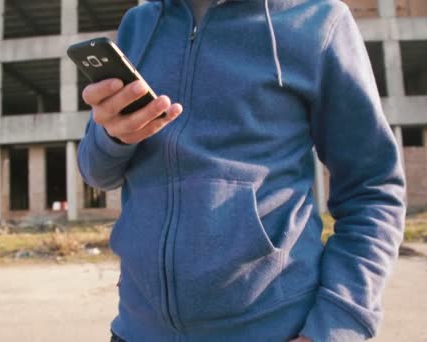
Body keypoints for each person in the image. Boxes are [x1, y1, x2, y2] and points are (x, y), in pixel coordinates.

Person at [78, 0, 406, 341]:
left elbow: (373, 188)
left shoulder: (318, 20)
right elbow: (96, 172)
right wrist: (113, 136)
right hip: (136, 330)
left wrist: (337, 324)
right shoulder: (139, 23)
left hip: (272, 330)